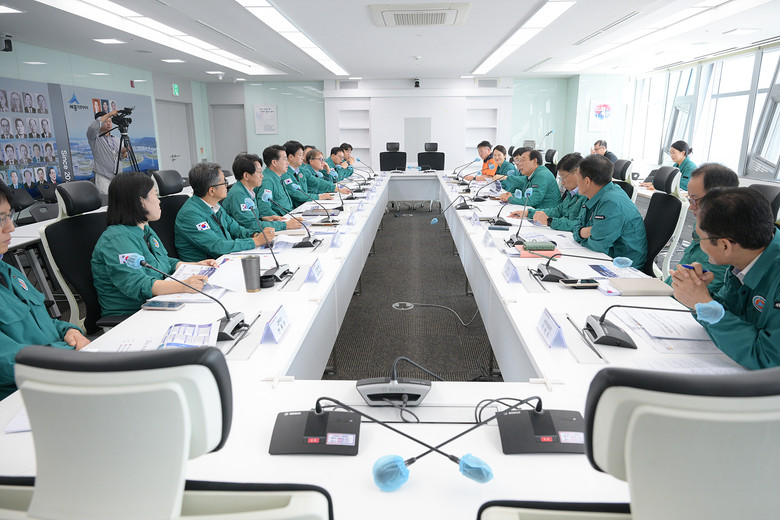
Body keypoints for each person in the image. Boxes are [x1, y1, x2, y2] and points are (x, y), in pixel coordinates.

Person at [670, 187, 779, 370]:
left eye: (699, 238)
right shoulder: (745, 257)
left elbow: (770, 359)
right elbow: (731, 314)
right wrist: (702, 295)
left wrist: (704, 304)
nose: (699, 244)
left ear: (725, 246)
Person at [0, 182, 90, 400]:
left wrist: (68, 331)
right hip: (21, 397)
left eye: (8, 216)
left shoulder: (9, 271)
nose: (11, 227)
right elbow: (7, 362)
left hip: (56, 375)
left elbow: (43, 323)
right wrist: (68, 351)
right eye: (1, 219)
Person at [92, 173, 218, 316]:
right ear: (141, 202)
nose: (159, 201)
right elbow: (137, 284)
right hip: (133, 315)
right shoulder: (116, 240)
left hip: (158, 302)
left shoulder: (145, 229)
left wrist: (194, 265)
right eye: (155, 195)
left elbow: (163, 261)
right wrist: (183, 285)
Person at [174, 162, 274, 262]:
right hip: (206, 266)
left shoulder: (215, 205)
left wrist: (254, 235)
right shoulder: (190, 214)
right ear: (212, 191)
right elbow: (217, 246)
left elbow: (236, 229)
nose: (227, 185)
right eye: (224, 182)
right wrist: (255, 241)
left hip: (225, 258)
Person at [664, 163, 739, 294]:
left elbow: (709, 294)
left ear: (718, 198)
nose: (691, 207)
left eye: (695, 200)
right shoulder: (702, 223)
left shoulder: (727, 239)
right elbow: (680, 273)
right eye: (690, 199)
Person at [572, 154, 647, 267]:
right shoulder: (595, 195)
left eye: (577, 176)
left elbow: (597, 247)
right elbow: (577, 228)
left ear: (587, 181)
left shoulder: (612, 202)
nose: (576, 181)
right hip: (606, 258)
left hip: (623, 267)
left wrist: (586, 233)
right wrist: (585, 232)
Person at [221, 152, 299, 233]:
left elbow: (249, 218)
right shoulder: (238, 194)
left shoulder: (248, 190)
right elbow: (251, 225)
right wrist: (284, 225)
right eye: (258, 172)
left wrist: (262, 218)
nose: (262, 176)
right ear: (246, 176)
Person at [508, 153, 585, 231]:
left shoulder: (586, 195)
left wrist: (550, 221)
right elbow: (558, 211)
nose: (562, 183)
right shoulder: (571, 193)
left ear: (577, 173)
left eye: (563, 178)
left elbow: (579, 225)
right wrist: (528, 213)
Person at [87, 109, 128, 195]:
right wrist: (110, 114)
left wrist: (123, 152)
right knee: (107, 201)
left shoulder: (116, 139)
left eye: (110, 121)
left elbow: (122, 157)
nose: (109, 123)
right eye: (106, 121)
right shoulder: (94, 137)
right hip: (103, 177)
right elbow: (94, 127)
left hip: (118, 178)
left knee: (121, 200)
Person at [282, 140, 334, 207]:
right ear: (291, 157)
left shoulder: (301, 170)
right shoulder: (284, 173)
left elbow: (316, 181)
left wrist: (335, 188)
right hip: (297, 208)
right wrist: (319, 197)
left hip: (305, 205)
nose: (303, 158)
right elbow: (296, 194)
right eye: (300, 155)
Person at [257, 145, 296, 217]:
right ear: (274, 162)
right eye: (284, 159)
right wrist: (284, 221)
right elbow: (265, 210)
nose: (287, 163)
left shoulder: (278, 176)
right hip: (281, 220)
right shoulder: (267, 181)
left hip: (289, 215)